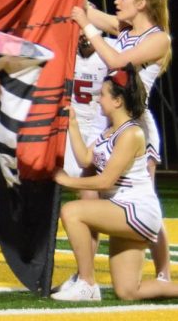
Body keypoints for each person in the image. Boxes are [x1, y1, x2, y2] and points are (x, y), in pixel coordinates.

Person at [72, 0, 172, 280]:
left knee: (143, 200)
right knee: (86, 196)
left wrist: (87, 28)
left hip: (136, 129)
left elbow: (118, 62)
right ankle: (84, 276)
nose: (116, 1)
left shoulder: (158, 38)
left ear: (142, 3)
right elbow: (86, 9)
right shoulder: (124, 28)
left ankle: (164, 272)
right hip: (109, 125)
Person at [53, 65, 178, 301]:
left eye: (103, 95)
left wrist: (65, 181)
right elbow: (85, 159)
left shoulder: (132, 133)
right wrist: (72, 124)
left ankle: (87, 282)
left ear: (118, 100)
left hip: (136, 209)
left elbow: (106, 180)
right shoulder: (111, 131)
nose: (98, 100)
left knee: (71, 211)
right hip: (125, 208)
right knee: (128, 291)